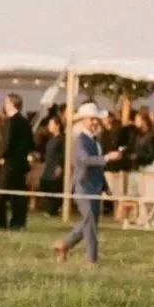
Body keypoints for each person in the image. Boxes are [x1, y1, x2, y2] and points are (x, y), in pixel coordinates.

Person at [55, 102, 110, 265]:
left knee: (89, 222)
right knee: (90, 223)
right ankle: (92, 260)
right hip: (83, 187)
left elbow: (97, 168)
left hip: (94, 187)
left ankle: (64, 244)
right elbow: (85, 160)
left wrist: (106, 186)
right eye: (92, 119)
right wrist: (106, 158)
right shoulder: (81, 140)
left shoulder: (94, 140)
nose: (95, 122)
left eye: (96, 119)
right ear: (83, 121)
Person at [0, 94, 34, 231]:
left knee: (1, 193)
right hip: (21, 164)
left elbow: (6, 143)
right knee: (18, 195)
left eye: (6, 102)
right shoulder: (25, 122)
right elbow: (30, 143)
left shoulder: (10, 122)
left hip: (8, 163)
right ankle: (18, 222)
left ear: (11, 104)